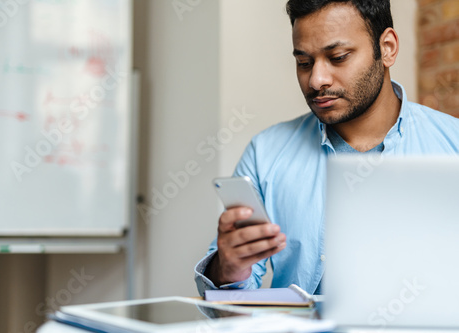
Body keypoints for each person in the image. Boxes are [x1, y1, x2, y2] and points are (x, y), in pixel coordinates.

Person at [194, 0, 459, 296]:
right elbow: (229, 304)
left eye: (338, 57)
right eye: (304, 63)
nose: (316, 80)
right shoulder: (265, 154)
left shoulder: (453, 145)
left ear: (387, 48)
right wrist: (227, 269)